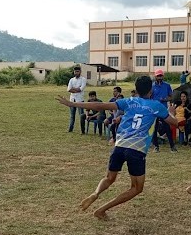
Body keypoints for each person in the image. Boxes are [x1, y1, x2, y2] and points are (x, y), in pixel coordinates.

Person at [55, 75, 178, 220]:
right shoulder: (156, 106)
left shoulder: (128, 101)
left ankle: (95, 193)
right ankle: (102, 209)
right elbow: (174, 123)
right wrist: (172, 111)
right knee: (137, 188)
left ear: (136, 90)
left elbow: (99, 106)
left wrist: (73, 104)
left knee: (109, 178)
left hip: (119, 146)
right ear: (151, 91)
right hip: (136, 150)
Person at [150, 68, 175, 152]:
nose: (159, 77)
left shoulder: (167, 85)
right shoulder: (152, 86)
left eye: (161, 76)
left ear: (163, 76)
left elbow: (171, 96)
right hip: (154, 109)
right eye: (158, 76)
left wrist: (164, 99)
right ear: (155, 76)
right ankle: (156, 146)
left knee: (167, 127)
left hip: (163, 109)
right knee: (154, 128)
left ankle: (172, 146)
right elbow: (149, 97)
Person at [66, 65, 87, 133]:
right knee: (72, 116)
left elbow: (81, 89)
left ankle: (82, 130)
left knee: (81, 115)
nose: (76, 73)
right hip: (72, 99)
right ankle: (70, 129)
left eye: (77, 71)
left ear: (80, 72)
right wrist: (76, 89)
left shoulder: (83, 79)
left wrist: (74, 89)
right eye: (75, 71)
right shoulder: (71, 80)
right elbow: (69, 89)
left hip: (80, 99)